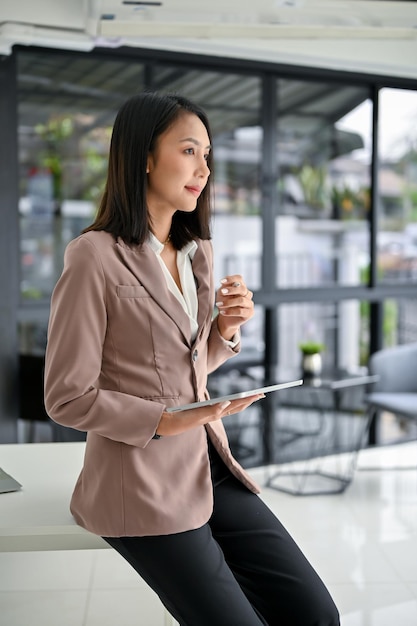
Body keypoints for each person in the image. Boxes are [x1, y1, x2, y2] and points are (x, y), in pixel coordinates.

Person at [44, 91, 340, 626]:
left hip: (208, 464)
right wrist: (165, 419)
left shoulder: (195, 250)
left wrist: (225, 329)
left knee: (316, 614)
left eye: (207, 153)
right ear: (144, 157)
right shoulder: (93, 257)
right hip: (141, 484)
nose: (204, 168)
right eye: (189, 150)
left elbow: (185, 367)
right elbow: (67, 397)